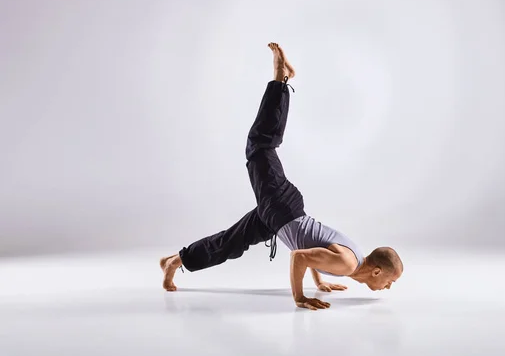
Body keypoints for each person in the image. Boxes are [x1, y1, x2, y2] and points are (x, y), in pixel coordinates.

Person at [160, 42, 403, 310]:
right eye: (391, 281)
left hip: (278, 218)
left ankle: (176, 260)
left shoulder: (351, 260)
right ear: (377, 272)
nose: (389, 287)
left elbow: (312, 249)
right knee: (260, 145)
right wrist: (299, 297)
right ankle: (280, 78)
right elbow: (299, 257)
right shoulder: (348, 262)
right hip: (282, 208)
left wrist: (320, 282)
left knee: (229, 243)